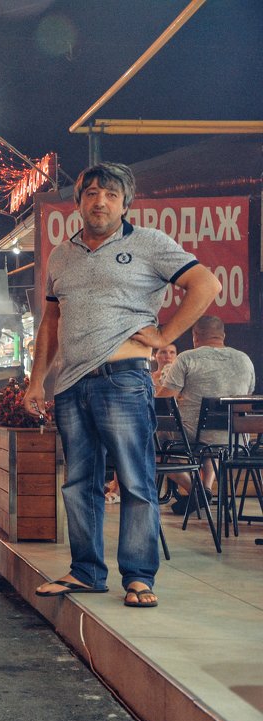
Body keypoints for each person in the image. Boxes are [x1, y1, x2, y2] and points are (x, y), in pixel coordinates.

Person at [24, 162, 220, 609]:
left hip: (124, 379)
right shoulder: (62, 255)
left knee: (134, 481)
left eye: (111, 195)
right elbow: (51, 323)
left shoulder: (149, 244)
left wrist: (167, 335)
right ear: (78, 203)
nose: (100, 201)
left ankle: (138, 577)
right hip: (71, 384)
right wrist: (38, 382)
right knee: (79, 483)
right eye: (91, 193)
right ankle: (86, 572)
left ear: (125, 203)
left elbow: (205, 283)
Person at [156, 314, 255, 513]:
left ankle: (196, 489)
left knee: (147, 442)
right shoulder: (245, 360)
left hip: (193, 436)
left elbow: (163, 401)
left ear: (195, 336)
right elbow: (246, 398)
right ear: (223, 335)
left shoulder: (188, 358)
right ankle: (206, 489)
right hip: (235, 439)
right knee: (212, 438)